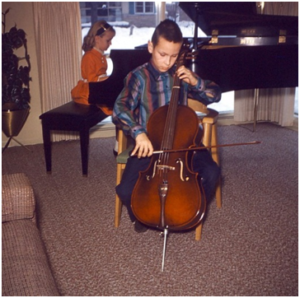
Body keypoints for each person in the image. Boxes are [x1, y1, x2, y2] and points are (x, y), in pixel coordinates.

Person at [113, 19, 221, 233]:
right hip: (150, 145)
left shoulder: (180, 74)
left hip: (183, 144)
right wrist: (139, 134)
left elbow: (214, 95)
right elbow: (120, 108)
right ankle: (142, 216)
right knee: (125, 190)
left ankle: (188, 209)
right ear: (151, 47)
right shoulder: (138, 77)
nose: (168, 62)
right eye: (162, 54)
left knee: (212, 172)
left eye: (174, 56)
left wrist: (195, 81)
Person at [71, 20, 116, 116]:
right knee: (110, 105)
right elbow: (92, 79)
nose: (110, 43)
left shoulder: (100, 55)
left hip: (98, 88)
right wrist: (107, 79)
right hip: (89, 91)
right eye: (108, 40)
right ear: (97, 39)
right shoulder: (89, 56)